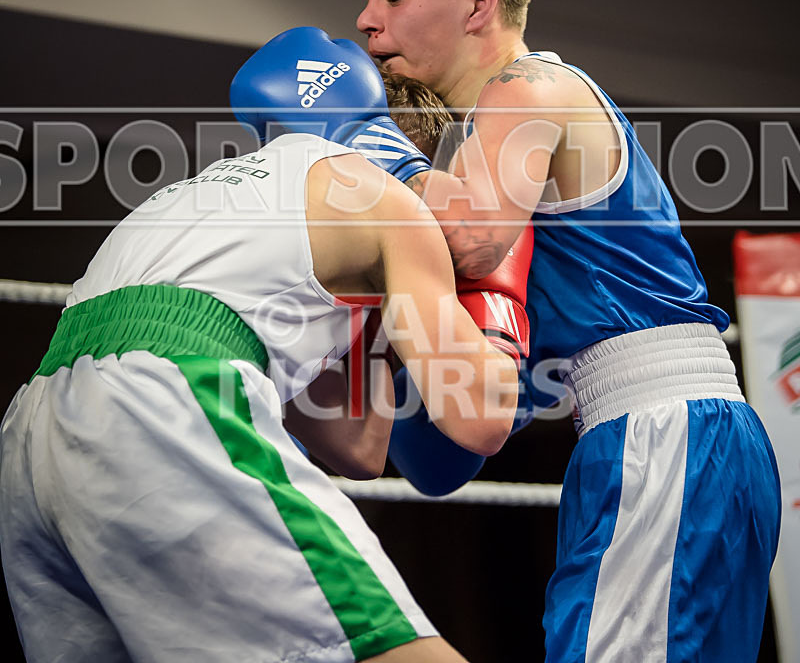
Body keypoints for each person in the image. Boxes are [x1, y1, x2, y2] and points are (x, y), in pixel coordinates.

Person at [334, 0, 780, 660]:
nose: (367, 20)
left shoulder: (528, 89)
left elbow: (471, 236)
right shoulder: (474, 137)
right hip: (651, 435)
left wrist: (361, 140)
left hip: (662, 433)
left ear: (480, 1)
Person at [0, 49, 521, 662]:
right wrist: (496, 305)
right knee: (388, 649)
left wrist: (382, 311)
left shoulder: (214, 193)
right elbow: (479, 414)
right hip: (174, 397)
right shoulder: (389, 198)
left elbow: (357, 448)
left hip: (33, 431)